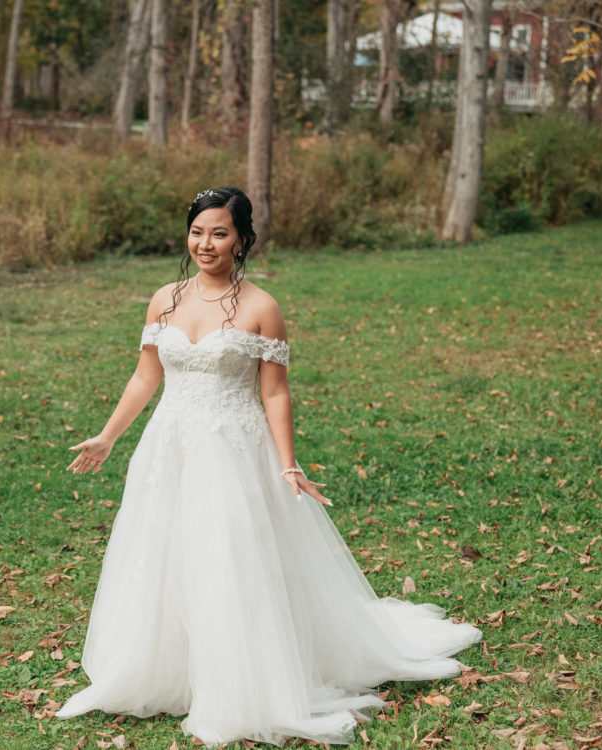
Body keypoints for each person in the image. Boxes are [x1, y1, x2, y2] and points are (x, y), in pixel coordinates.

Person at [57, 187, 481, 747]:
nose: (206, 244)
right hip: (169, 444)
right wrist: (109, 436)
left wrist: (288, 465)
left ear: (242, 239)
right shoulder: (164, 299)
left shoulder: (262, 308)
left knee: (227, 556)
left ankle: (239, 679)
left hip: (234, 449)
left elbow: (275, 394)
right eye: (197, 232)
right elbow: (146, 376)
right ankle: (168, 670)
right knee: (162, 551)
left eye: (219, 233)